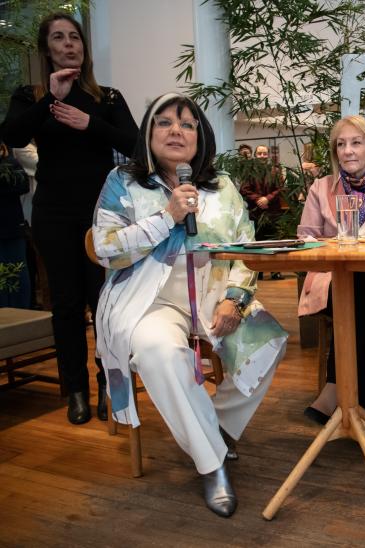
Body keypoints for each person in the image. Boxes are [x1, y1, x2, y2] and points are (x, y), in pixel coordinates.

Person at [92, 92, 287, 517]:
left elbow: (246, 250)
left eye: (187, 124)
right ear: (148, 134)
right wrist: (167, 217)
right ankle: (212, 463)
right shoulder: (122, 183)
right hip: (150, 300)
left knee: (268, 341)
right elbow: (106, 249)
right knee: (159, 350)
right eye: (164, 122)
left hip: (214, 295)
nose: (176, 131)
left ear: (201, 137)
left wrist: (235, 299)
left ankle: (214, 426)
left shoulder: (222, 187)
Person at [1, 12, 138, 425]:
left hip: (102, 215)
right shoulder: (31, 96)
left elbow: (135, 144)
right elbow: (11, 137)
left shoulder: (107, 97)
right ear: (47, 48)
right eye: (59, 37)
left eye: (74, 36)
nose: (68, 44)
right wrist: (51, 100)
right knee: (65, 305)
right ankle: (75, 391)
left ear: (83, 45)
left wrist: (90, 124)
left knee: (104, 305)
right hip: (54, 214)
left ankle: (107, 388)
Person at [297, 115, 365, 462]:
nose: (347, 150)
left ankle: (334, 389)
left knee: (364, 282)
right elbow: (305, 238)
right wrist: (336, 248)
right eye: (341, 144)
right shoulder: (320, 188)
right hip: (333, 282)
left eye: (355, 142)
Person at [239, 145, 285, 279]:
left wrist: (267, 199)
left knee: (274, 242)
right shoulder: (249, 171)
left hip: (273, 212)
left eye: (265, 154)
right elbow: (244, 190)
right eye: (259, 154)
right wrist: (259, 199)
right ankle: (258, 273)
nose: (262, 156)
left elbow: (280, 189)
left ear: (268, 155)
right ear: (255, 155)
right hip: (256, 212)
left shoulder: (276, 170)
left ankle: (275, 272)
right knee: (258, 243)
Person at [0, 140, 31, 308]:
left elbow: (24, 185)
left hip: (13, 226)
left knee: (18, 271)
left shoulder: (11, 163)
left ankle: (21, 309)